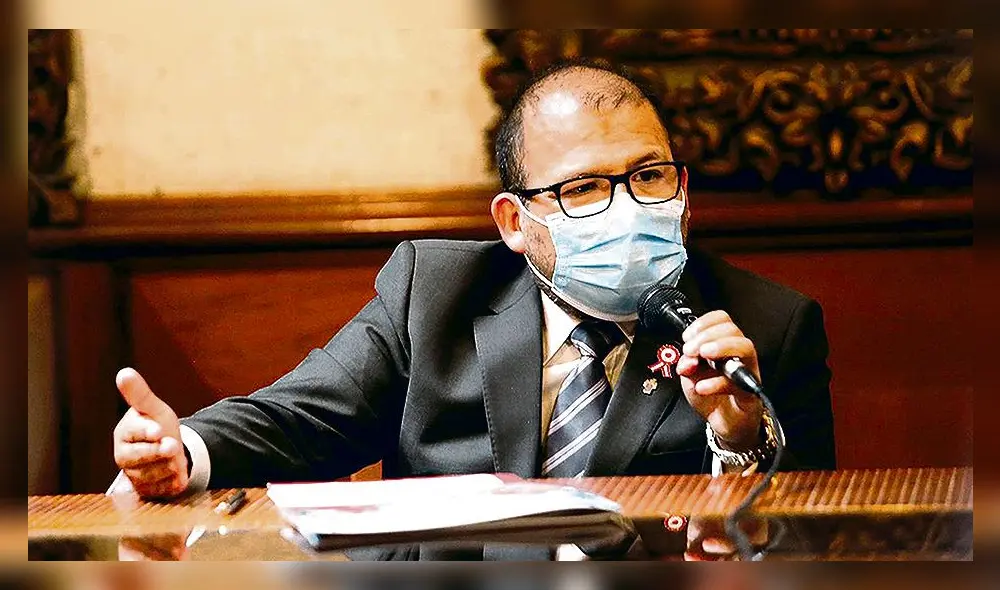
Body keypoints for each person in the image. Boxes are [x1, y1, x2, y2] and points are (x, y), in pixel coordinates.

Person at [110, 60, 836, 558]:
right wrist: (180, 451)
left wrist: (738, 438)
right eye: (583, 188)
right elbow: (299, 419)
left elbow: (807, 542)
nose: (627, 208)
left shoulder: (767, 327)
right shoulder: (435, 294)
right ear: (515, 222)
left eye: (649, 175)